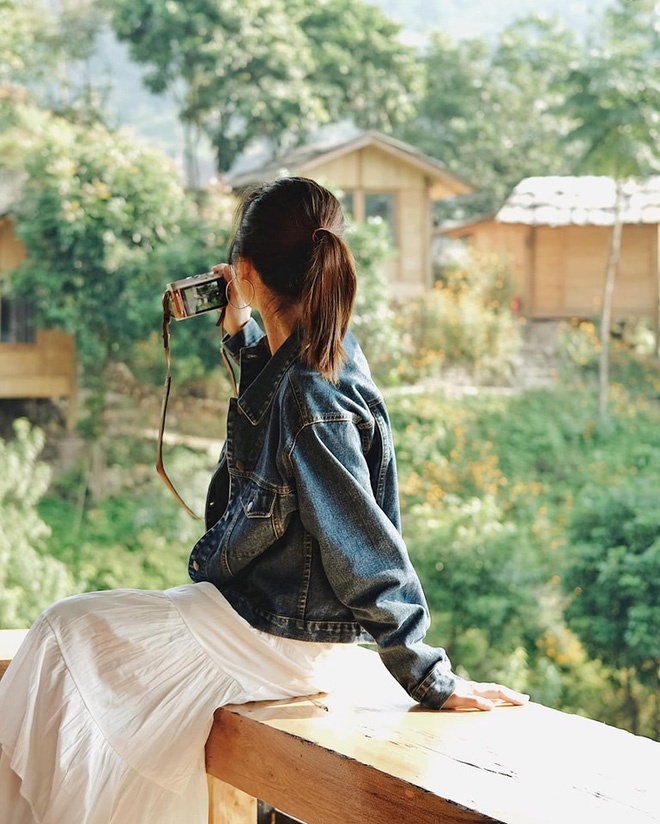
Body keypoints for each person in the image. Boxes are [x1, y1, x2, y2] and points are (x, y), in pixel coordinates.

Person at [0, 177, 528, 824]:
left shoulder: (314, 397)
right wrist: (240, 332)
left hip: (276, 636)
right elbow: (277, 437)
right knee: (68, 644)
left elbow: (366, 552)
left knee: (61, 636)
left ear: (245, 270)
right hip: (256, 617)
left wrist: (430, 678)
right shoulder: (311, 362)